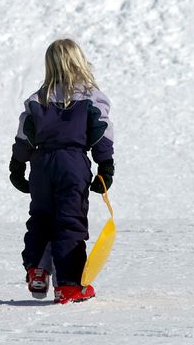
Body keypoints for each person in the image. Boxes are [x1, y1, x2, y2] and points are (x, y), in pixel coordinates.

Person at [9, 39, 115, 304]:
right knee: (69, 220)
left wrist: (18, 165)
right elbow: (101, 132)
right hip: (72, 163)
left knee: (41, 217)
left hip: (41, 164)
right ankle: (68, 284)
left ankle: (37, 268)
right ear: (79, 61)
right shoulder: (92, 96)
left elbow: (25, 134)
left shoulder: (37, 98)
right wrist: (105, 166)